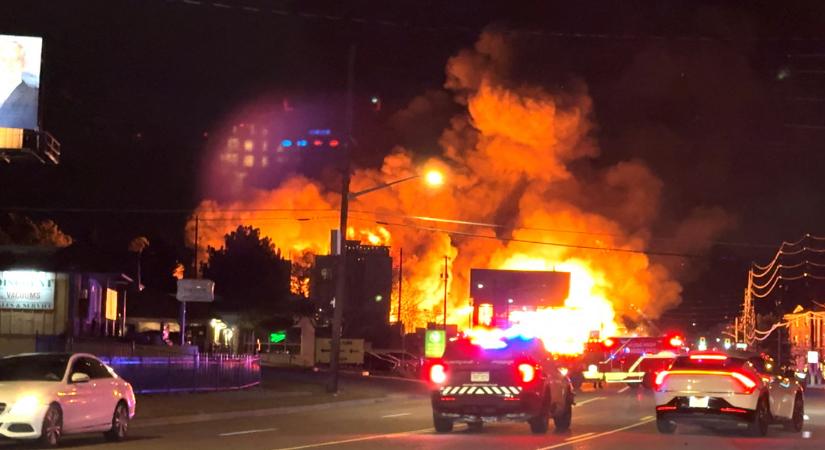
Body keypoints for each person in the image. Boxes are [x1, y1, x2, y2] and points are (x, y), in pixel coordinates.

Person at [0, 39, 38, 129]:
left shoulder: (34, 97)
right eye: (4, 59)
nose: (9, 64)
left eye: (15, 60)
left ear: (23, 63)